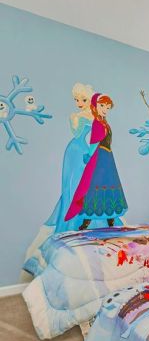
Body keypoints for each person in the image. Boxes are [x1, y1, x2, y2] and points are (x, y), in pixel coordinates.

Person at [65, 93, 128, 229]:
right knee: (95, 185)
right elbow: (94, 143)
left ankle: (110, 219)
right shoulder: (98, 123)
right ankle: (88, 221)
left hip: (107, 158)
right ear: (95, 106)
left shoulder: (103, 122)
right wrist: (89, 155)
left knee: (106, 184)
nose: (105, 109)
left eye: (107, 107)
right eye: (102, 106)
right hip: (100, 158)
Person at [45, 83, 94, 233]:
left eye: (83, 100)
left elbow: (79, 134)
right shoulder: (85, 115)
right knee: (70, 184)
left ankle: (80, 219)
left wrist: (75, 118)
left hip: (81, 149)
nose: (79, 103)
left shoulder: (88, 116)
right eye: (76, 100)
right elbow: (77, 134)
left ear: (89, 99)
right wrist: (75, 118)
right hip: (73, 150)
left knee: (80, 183)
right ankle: (69, 220)